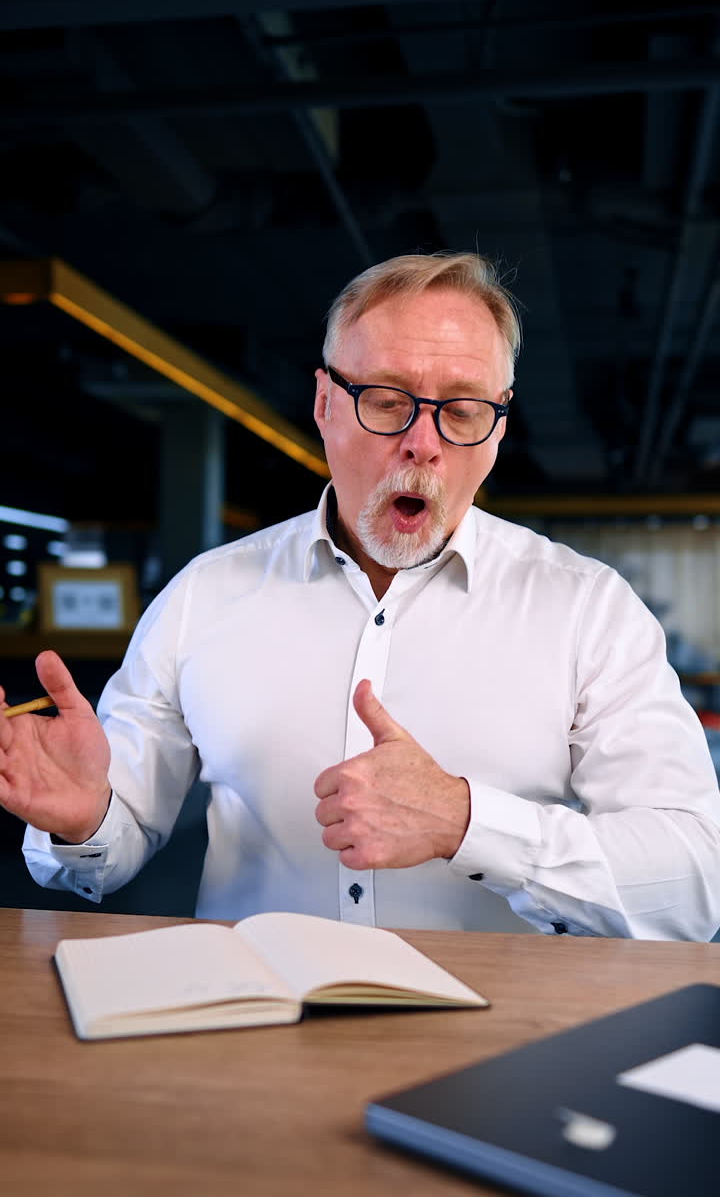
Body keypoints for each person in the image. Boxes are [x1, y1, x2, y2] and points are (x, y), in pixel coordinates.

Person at [2, 252, 720, 940]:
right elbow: (113, 839)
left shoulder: (587, 610)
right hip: (253, 1033)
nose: (423, 443)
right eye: (386, 400)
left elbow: (694, 883)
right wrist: (83, 816)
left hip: (508, 1044)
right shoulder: (203, 596)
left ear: (497, 427)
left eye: (463, 410)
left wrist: (467, 823)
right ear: (324, 403)